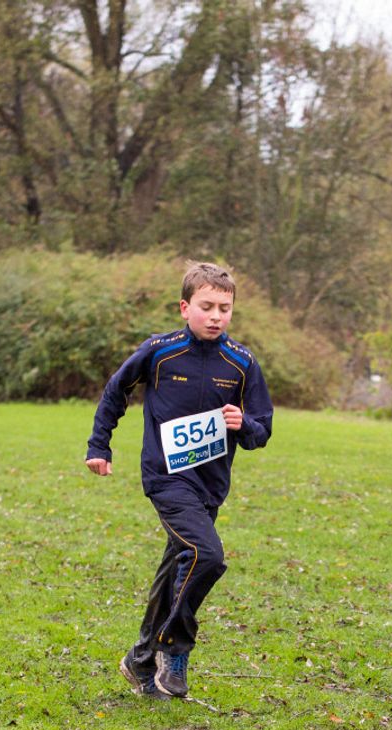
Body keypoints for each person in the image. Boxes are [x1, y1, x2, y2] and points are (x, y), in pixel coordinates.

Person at [86, 262, 274, 698]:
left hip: (211, 485)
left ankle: (138, 660)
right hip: (166, 478)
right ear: (185, 307)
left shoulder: (242, 362)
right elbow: (116, 391)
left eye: (224, 308)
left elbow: (261, 430)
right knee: (206, 555)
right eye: (206, 306)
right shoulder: (160, 352)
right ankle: (174, 648)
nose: (216, 316)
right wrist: (100, 446)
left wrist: (242, 422)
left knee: (177, 564)